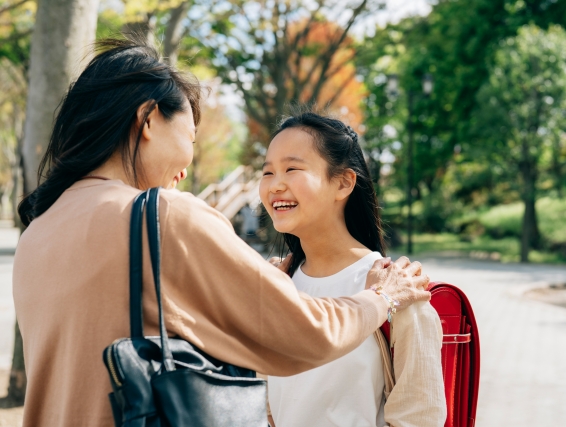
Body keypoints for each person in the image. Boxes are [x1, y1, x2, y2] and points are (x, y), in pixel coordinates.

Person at [12, 39, 432, 427]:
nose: (186, 168)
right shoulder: (162, 217)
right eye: (191, 135)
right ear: (149, 120)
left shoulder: (38, 231)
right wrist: (383, 298)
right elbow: (306, 334)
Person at [260, 113, 447, 427]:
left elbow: (419, 419)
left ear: (344, 182)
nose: (275, 185)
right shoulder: (276, 285)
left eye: (292, 169)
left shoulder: (399, 291)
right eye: (267, 172)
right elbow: (266, 407)